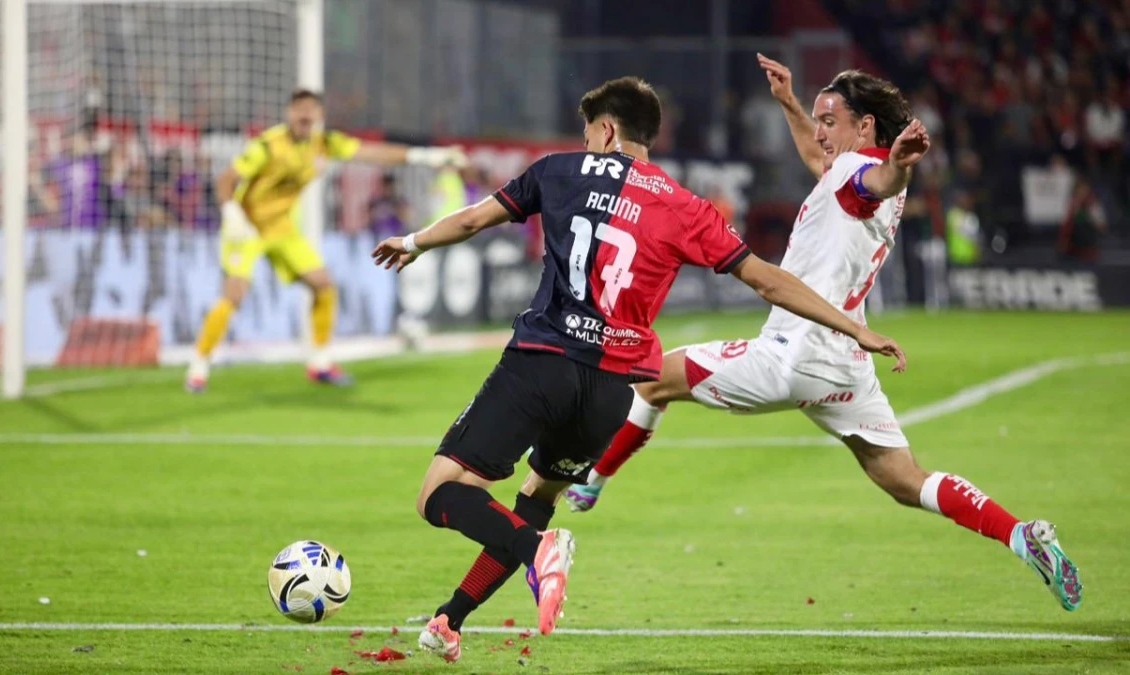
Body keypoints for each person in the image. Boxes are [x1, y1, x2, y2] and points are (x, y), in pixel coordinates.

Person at [371, 76, 906, 663]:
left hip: (541, 363)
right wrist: (852, 326)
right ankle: (450, 620)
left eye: (588, 133)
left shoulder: (558, 170)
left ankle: (536, 551)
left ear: (606, 130)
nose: (586, 142)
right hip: (609, 393)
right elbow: (768, 280)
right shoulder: (685, 206)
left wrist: (414, 242)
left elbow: (474, 220)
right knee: (536, 496)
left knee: (439, 494)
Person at [563, 56, 1083, 615]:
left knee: (651, 380)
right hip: (844, 367)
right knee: (905, 480)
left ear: (866, 126)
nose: (820, 133)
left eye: (829, 121)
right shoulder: (848, 172)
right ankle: (1021, 535)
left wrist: (899, 167)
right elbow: (826, 162)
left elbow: (876, 178)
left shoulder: (866, 174)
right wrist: (790, 103)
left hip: (792, 354)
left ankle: (592, 481)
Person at [185, 88, 467, 392]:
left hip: (281, 228)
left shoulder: (325, 144)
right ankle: (199, 365)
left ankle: (319, 363)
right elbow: (226, 179)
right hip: (246, 227)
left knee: (323, 285)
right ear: (289, 114)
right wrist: (231, 214)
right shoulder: (268, 145)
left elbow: (374, 153)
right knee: (234, 296)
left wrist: (426, 156)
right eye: (299, 109)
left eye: (311, 109)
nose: (305, 115)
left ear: (319, 116)